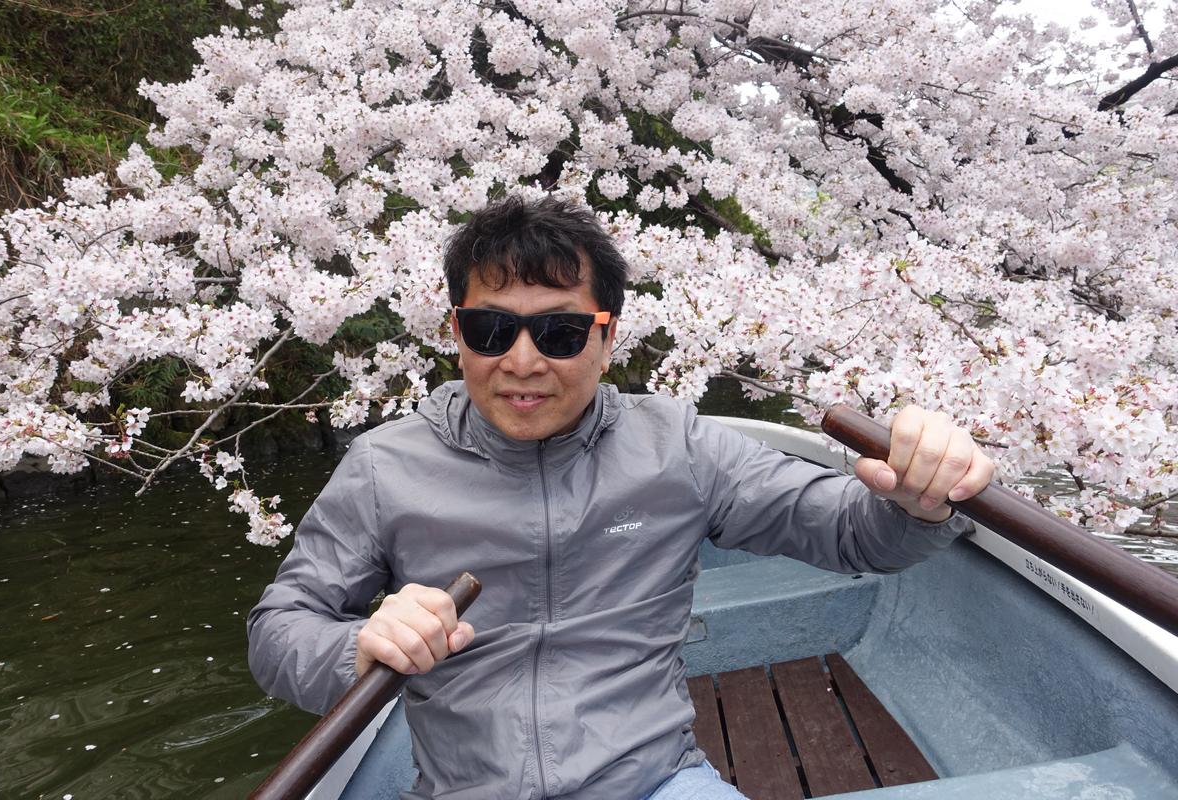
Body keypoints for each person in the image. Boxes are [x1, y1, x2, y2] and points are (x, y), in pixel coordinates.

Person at [247, 195, 995, 800]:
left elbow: (851, 531)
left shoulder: (677, 445)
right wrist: (359, 646)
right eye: (491, 329)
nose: (522, 361)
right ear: (456, 334)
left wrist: (921, 497)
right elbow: (279, 631)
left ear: (609, 340)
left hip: (654, 782)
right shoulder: (384, 466)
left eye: (562, 333)